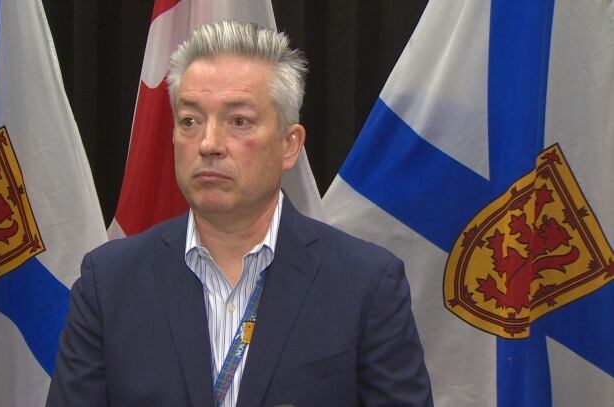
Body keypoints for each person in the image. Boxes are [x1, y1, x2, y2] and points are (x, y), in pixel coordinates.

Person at [47, 20, 432, 407]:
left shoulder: (365, 283)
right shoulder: (109, 282)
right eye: (190, 121)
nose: (209, 143)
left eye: (239, 121)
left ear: (289, 144)